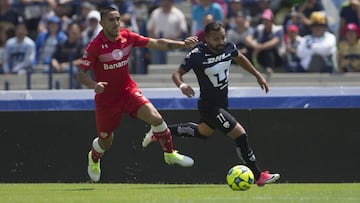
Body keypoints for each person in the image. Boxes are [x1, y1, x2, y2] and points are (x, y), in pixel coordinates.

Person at [142, 22, 280, 186]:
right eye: (216, 39)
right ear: (206, 38)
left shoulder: (228, 47)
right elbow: (177, 74)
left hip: (222, 104)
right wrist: (182, 85)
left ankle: (161, 132)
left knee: (203, 132)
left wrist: (257, 75)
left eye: (223, 37)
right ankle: (258, 176)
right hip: (209, 106)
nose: (221, 41)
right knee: (240, 135)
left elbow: (240, 58)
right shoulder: (196, 54)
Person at [78, 6, 198, 182]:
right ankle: (94, 157)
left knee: (156, 119)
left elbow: (156, 43)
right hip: (107, 101)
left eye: (118, 19)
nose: (116, 23)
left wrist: (182, 44)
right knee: (106, 142)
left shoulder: (127, 36)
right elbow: (81, 73)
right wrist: (93, 84)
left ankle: (170, 153)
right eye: (111, 20)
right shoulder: (95, 46)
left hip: (128, 91)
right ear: (102, 23)